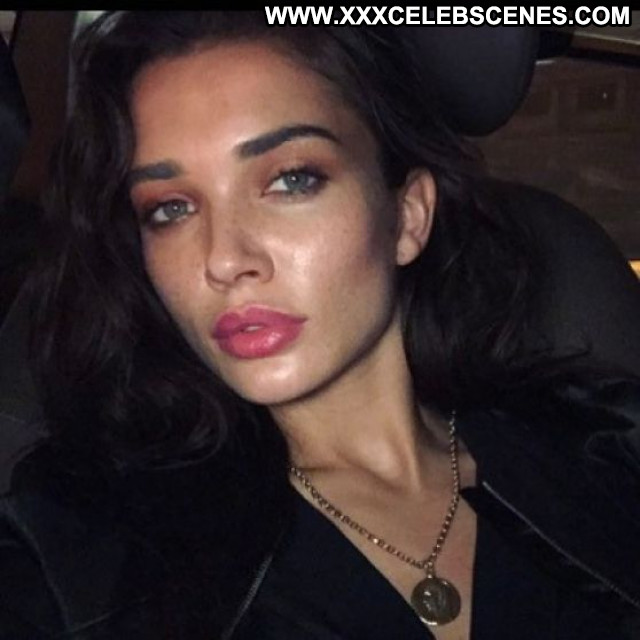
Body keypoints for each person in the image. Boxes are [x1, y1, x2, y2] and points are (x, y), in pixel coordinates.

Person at [1, 11, 639, 640]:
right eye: (171, 209)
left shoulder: (606, 454)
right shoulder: (72, 547)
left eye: (290, 180)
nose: (224, 259)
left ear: (408, 216)